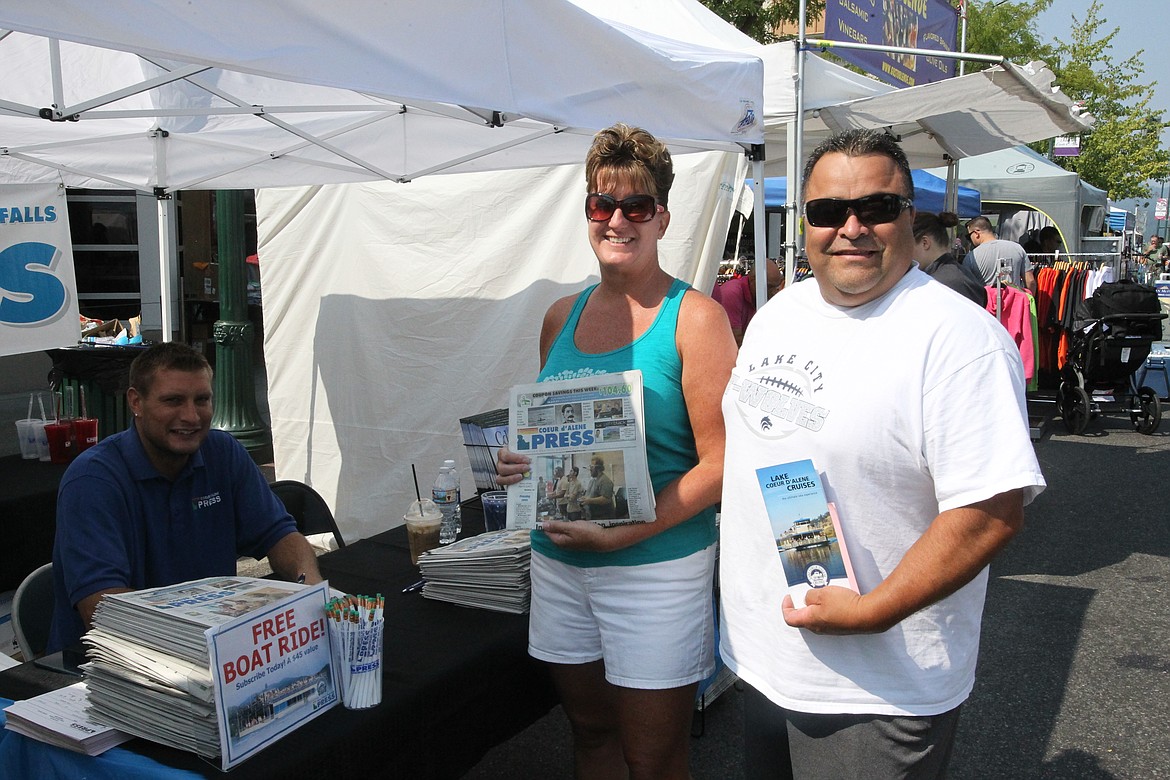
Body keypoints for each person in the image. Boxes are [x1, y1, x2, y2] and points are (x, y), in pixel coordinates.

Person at [719, 129, 1046, 778]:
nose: (851, 228)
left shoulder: (957, 340)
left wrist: (872, 611)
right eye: (827, 211)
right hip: (763, 663)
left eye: (876, 208)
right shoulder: (778, 315)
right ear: (803, 222)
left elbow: (990, 511)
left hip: (877, 688)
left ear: (908, 217)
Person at [495, 122, 736, 779]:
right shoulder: (559, 316)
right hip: (559, 561)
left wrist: (624, 534)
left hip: (655, 569)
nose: (618, 220)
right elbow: (550, 436)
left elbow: (723, 462)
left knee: (653, 756)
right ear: (588, 211)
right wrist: (521, 465)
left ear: (661, 215)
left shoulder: (697, 319)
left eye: (635, 206)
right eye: (603, 204)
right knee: (591, 733)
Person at [47, 342, 323, 653]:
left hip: (212, 650)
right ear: (136, 402)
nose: (191, 416)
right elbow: (103, 607)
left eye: (202, 400)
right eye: (173, 401)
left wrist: (310, 589)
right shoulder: (93, 480)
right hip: (108, 670)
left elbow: (279, 534)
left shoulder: (223, 452)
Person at [912, 211, 987, 307]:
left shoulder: (948, 282)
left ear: (925, 243)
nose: (904, 253)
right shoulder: (947, 275)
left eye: (906, 246)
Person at [711, 256, 783, 345]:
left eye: (777, 287)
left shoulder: (761, 295)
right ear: (753, 279)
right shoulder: (732, 293)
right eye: (769, 287)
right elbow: (734, 339)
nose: (774, 292)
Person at [963, 215, 1036, 295]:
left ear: (976, 233)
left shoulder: (971, 257)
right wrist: (1028, 300)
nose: (970, 239)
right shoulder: (1017, 248)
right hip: (1015, 304)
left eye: (968, 236)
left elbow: (967, 287)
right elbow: (1030, 281)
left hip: (986, 305)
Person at [579, 455, 615, 522]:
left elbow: (606, 499)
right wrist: (584, 498)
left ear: (598, 468)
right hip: (593, 515)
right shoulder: (592, 480)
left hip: (603, 517)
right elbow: (589, 495)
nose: (590, 469)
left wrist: (589, 500)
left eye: (592, 467)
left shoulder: (605, 481)